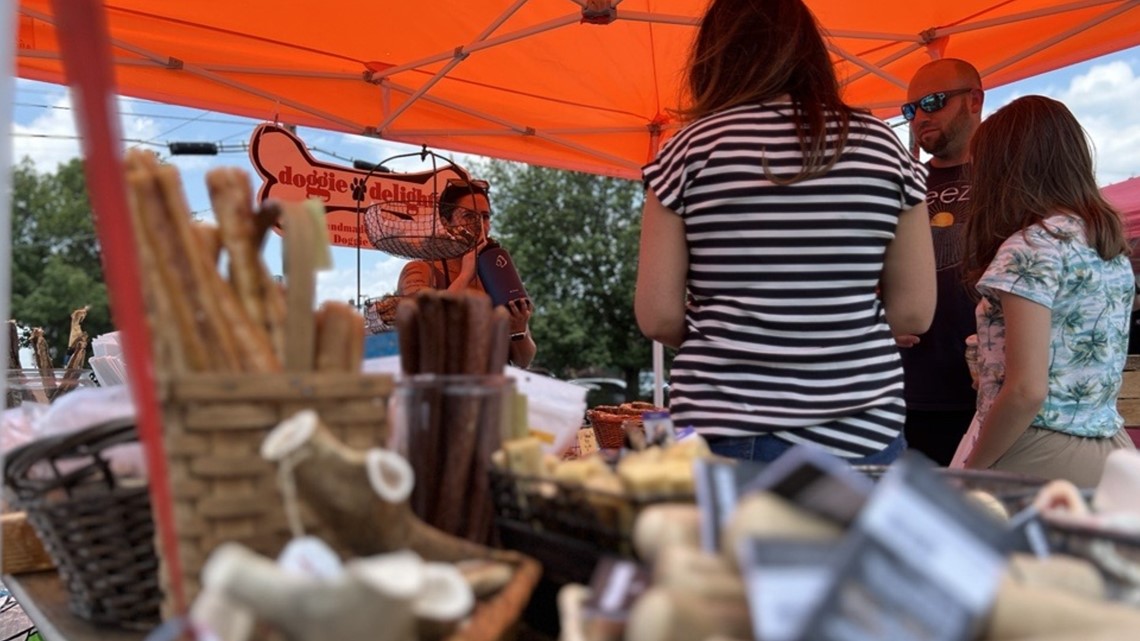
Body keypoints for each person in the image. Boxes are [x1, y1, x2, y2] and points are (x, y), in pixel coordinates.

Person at [635, 0, 935, 465]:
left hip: (727, 428)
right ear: (810, 53)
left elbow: (657, 316)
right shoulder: (881, 148)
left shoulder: (690, 150)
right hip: (862, 432)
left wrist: (737, 334)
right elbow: (914, 313)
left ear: (714, 57)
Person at [957, 95, 1136, 487]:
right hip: (1110, 445)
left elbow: (1025, 390)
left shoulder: (1030, 246)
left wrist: (973, 469)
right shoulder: (1104, 244)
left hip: (1039, 449)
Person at [896, 59, 985, 466]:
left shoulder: (1007, 177)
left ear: (974, 100)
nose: (920, 118)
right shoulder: (904, 181)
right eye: (910, 110)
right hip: (909, 390)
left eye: (932, 102)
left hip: (990, 390)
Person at [397, 179, 537, 368]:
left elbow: (523, 361)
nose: (480, 225)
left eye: (485, 217)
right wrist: (465, 274)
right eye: (469, 216)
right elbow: (421, 333)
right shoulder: (420, 270)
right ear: (446, 223)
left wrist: (518, 329)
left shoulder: (495, 275)